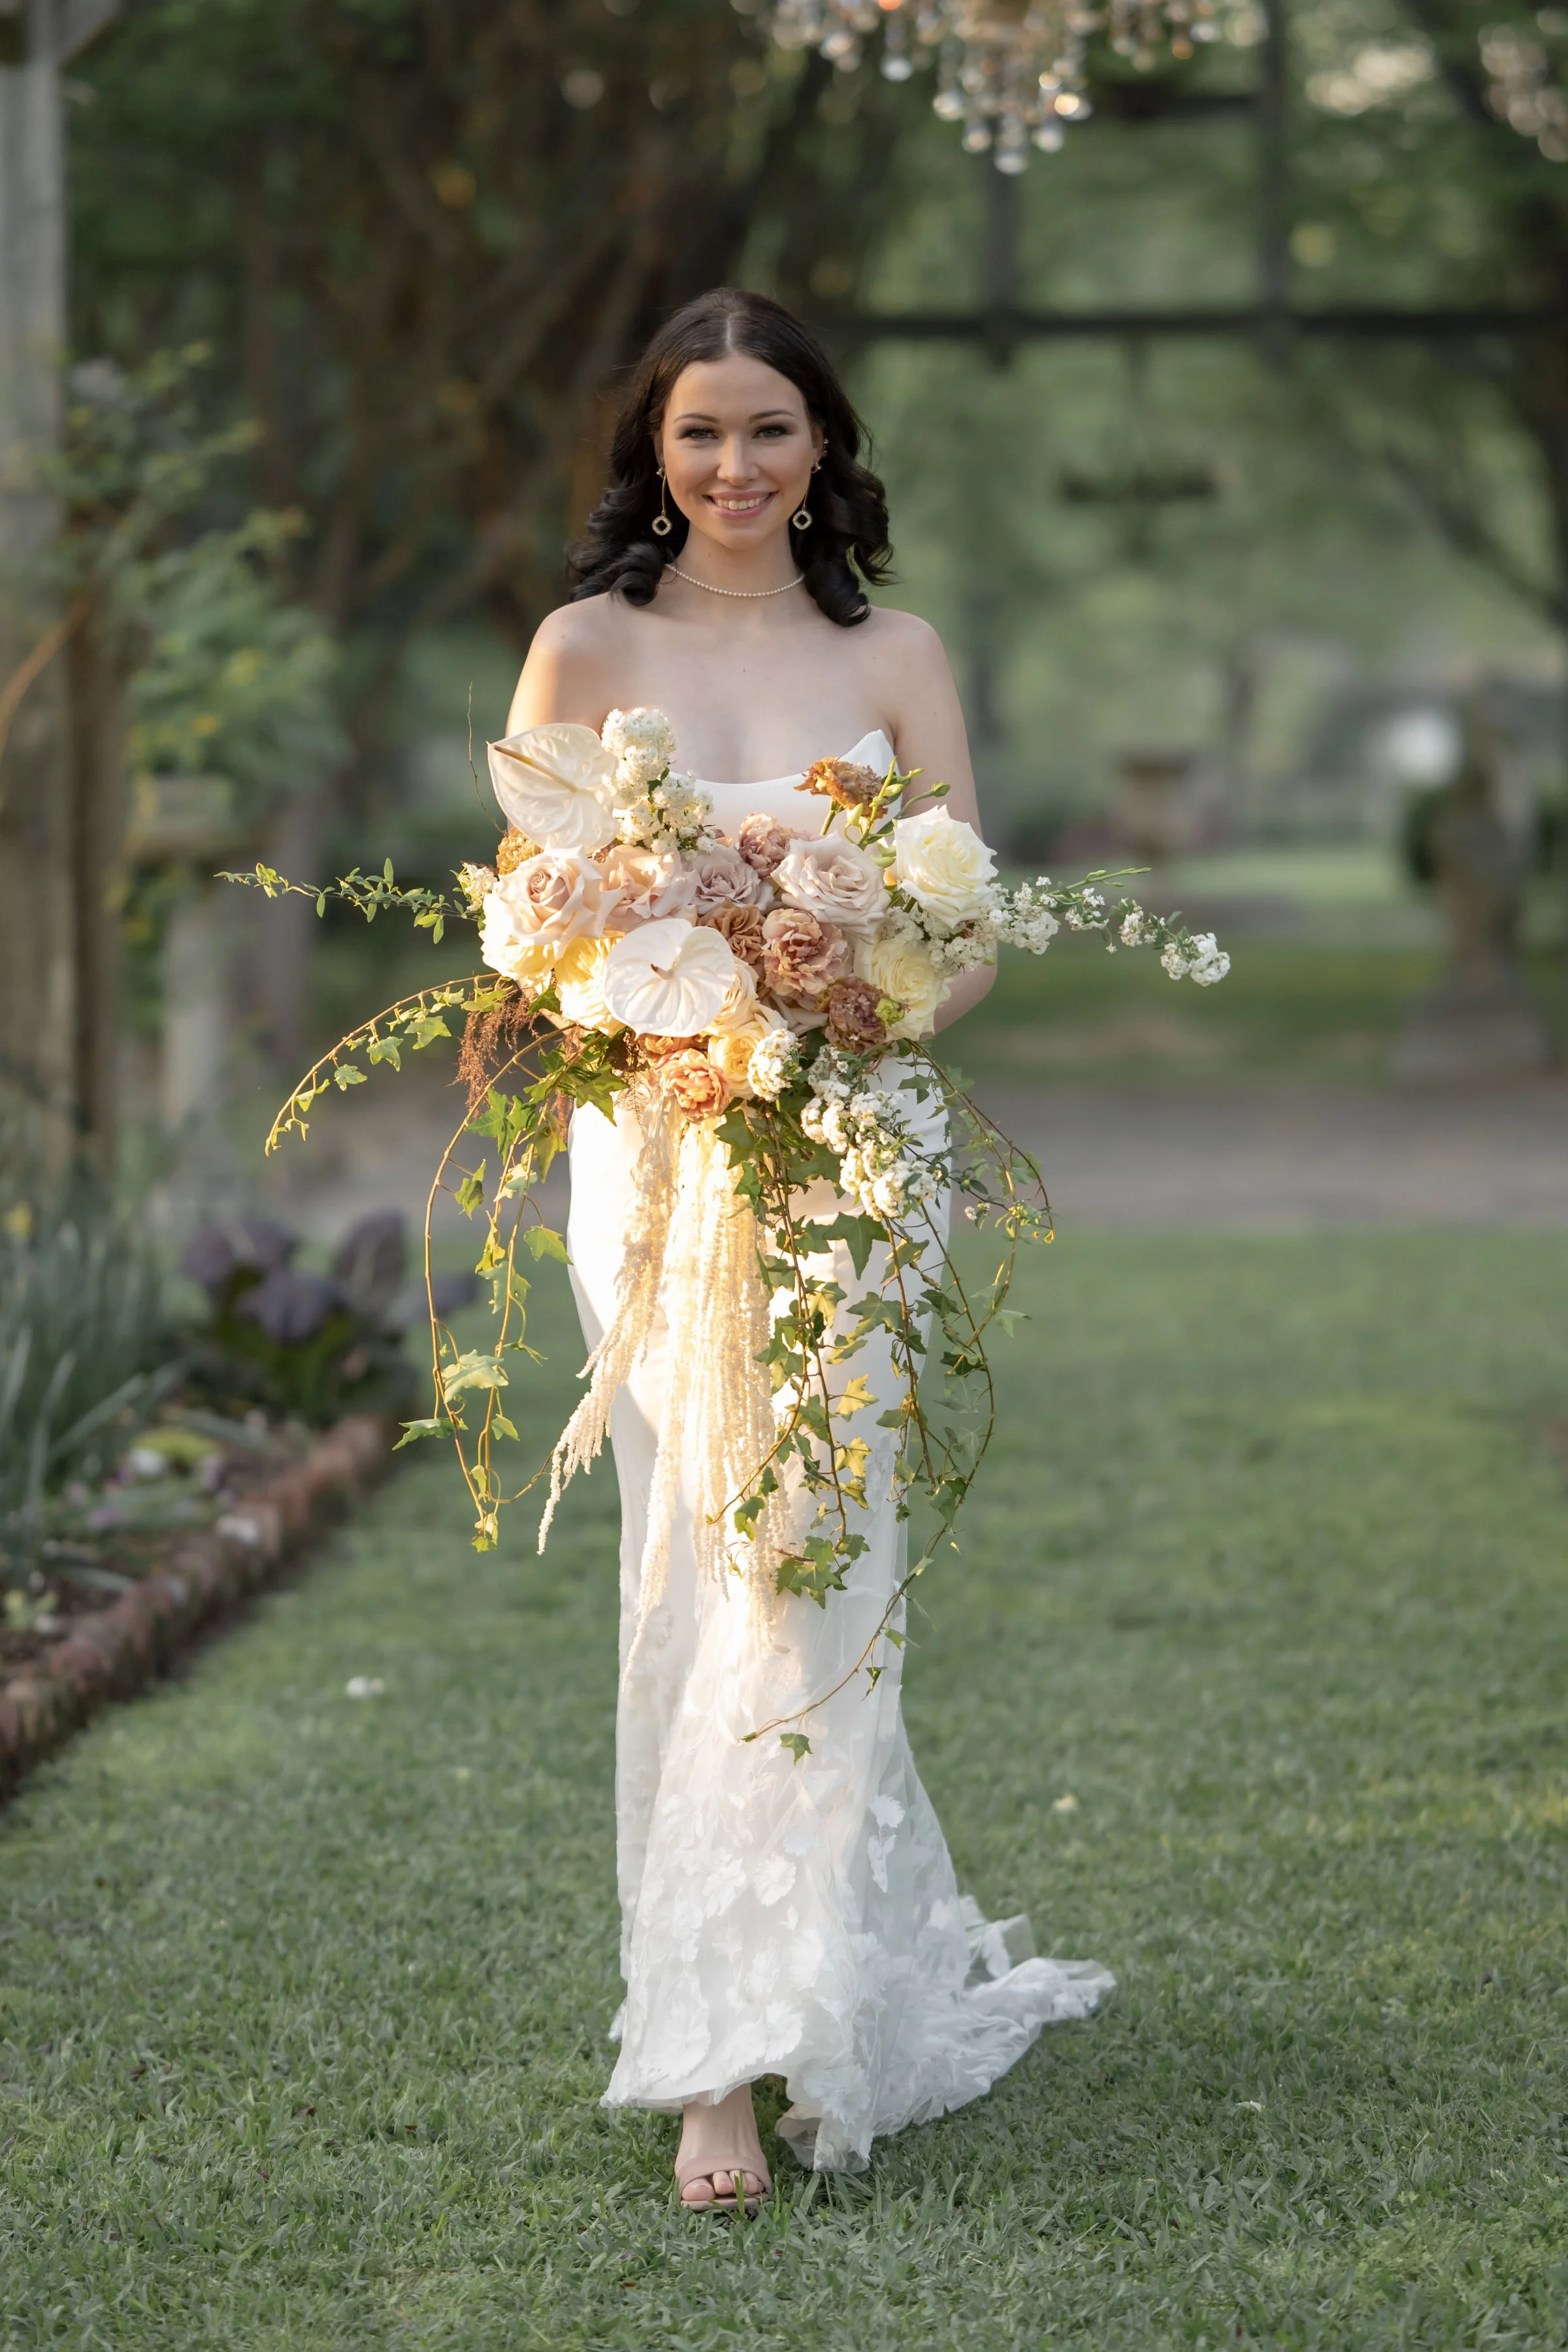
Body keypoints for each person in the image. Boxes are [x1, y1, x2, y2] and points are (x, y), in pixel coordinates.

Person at [506, 287, 1112, 2211]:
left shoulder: (902, 652)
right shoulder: (583, 649)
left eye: (772, 429)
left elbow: (972, 927)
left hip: (856, 1152)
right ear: (652, 453)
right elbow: (536, 929)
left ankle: (749, 2045)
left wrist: (854, 1002)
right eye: (701, 433)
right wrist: (681, 1022)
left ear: (826, 446)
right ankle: (719, 2037)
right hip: (662, 1161)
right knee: (710, 1549)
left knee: (815, 1570)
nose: (737, 467)